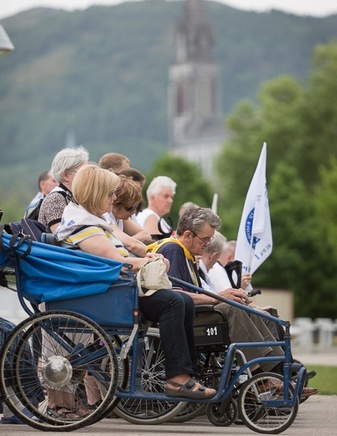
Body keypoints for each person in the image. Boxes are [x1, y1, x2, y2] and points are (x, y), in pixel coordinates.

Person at [56, 165, 216, 400]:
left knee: (183, 301)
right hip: (111, 293)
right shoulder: (84, 226)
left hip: (118, 289)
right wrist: (146, 261)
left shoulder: (89, 220)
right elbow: (116, 263)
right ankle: (177, 377)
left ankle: (186, 372)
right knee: (174, 302)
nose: (113, 198)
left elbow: (122, 255)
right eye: (110, 193)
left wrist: (146, 258)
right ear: (96, 193)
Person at [147, 206, 318, 398]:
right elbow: (177, 295)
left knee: (244, 307)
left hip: (194, 314)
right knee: (232, 308)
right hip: (186, 319)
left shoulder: (185, 254)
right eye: (205, 239)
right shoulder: (173, 249)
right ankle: (262, 377)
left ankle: (278, 374)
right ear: (188, 235)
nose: (207, 245)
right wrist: (220, 296)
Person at [38, 146, 89, 233]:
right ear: (66, 175)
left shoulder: (72, 197)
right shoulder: (55, 199)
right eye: (83, 172)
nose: (88, 176)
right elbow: (62, 236)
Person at [104, 175, 152, 255]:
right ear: (115, 204)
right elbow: (131, 245)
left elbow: (146, 235)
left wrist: (127, 240)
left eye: (136, 206)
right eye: (130, 208)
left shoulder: (120, 217)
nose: (134, 212)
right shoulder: (106, 216)